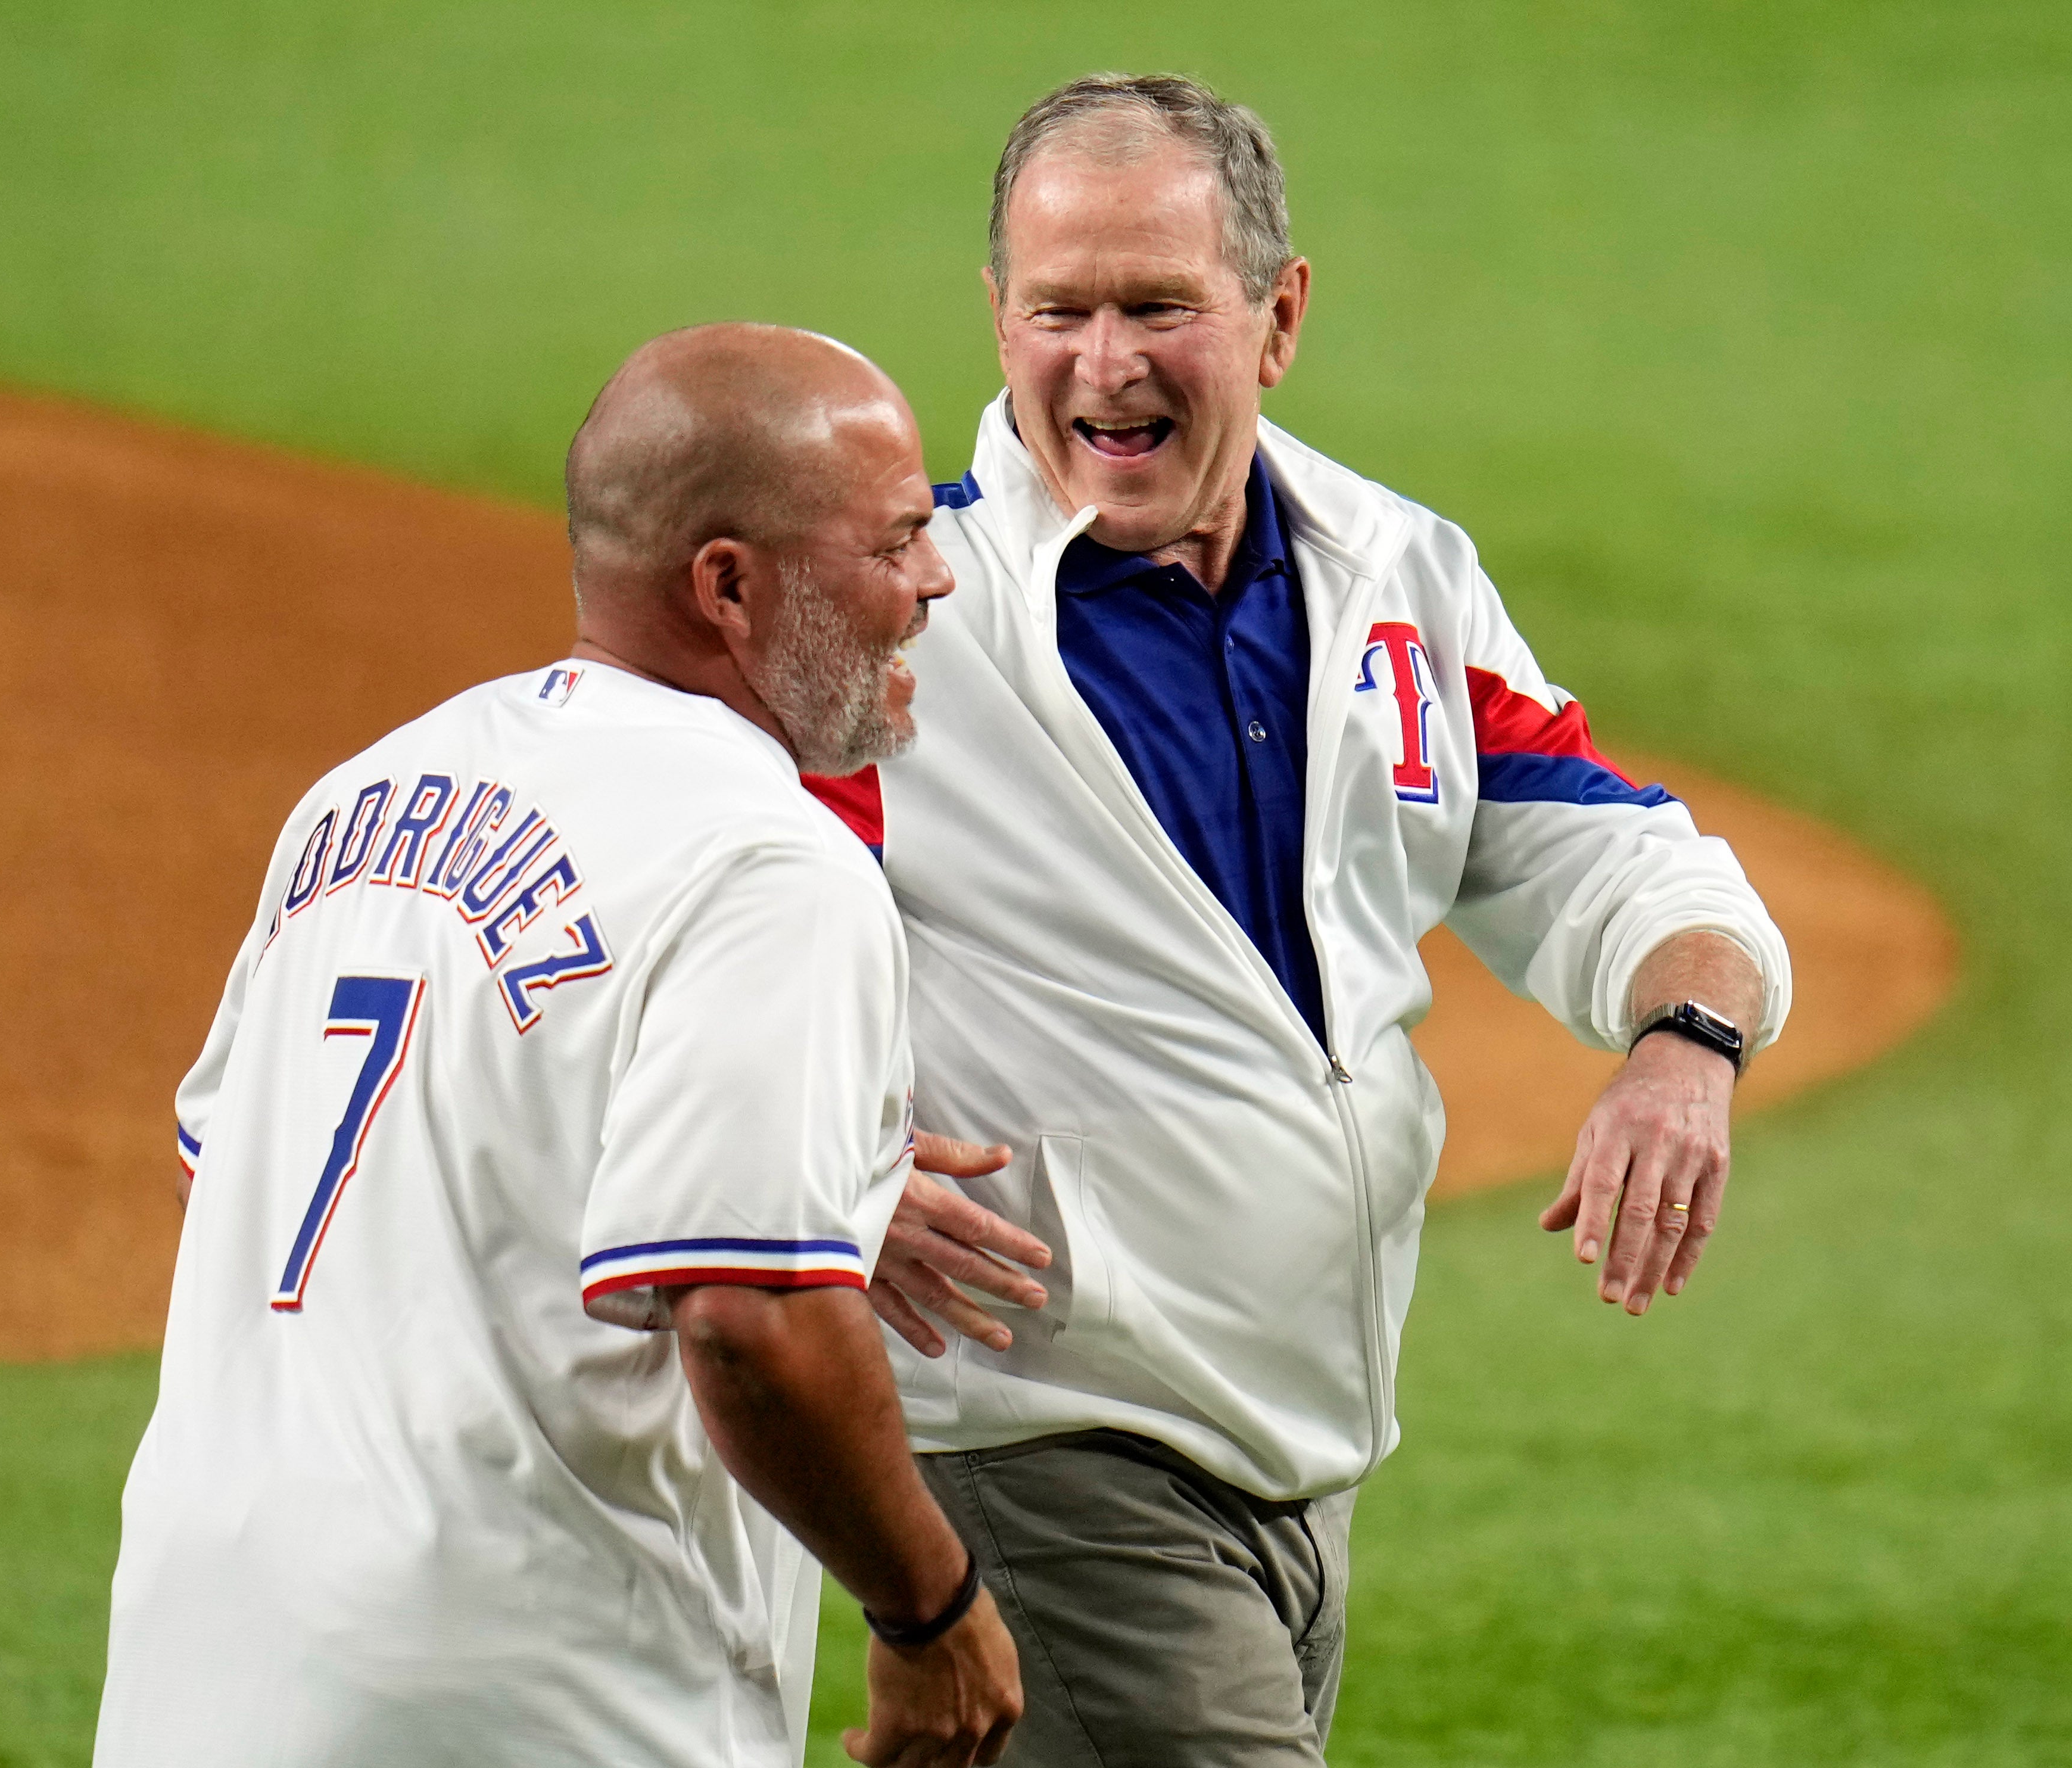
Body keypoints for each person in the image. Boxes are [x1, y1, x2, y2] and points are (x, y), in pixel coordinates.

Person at [808, 76, 1795, 1765]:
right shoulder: (902, 620)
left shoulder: (1394, 575)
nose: (1102, 365)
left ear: (1277, 317)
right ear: (995, 315)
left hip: (1298, 1447)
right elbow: (675, 940)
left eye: (1155, 307)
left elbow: (1598, 848)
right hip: (1043, 1439)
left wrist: (1684, 1042)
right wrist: (815, 1163)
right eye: (1057, 311)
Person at [95, 324, 1020, 1768]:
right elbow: (746, 1314)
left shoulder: (365, 791)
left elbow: (230, 1182)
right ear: (730, 585)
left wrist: (816, 1178)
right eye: (897, 541)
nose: (937, 579)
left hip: (203, 1649)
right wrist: (931, 1607)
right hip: (535, 1681)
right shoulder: (771, 860)